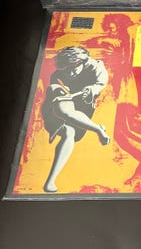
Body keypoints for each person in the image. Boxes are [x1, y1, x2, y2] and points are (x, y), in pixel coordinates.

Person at [41, 46, 110, 193]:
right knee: (64, 118)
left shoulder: (96, 67)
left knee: (71, 133)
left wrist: (91, 90)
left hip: (83, 110)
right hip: (56, 112)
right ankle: (97, 129)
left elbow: (100, 84)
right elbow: (62, 98)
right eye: (67, 70)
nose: (70, 73)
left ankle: (95, 128)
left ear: (83, 62)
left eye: (74, 68)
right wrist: (65, 95)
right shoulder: (57, 75)